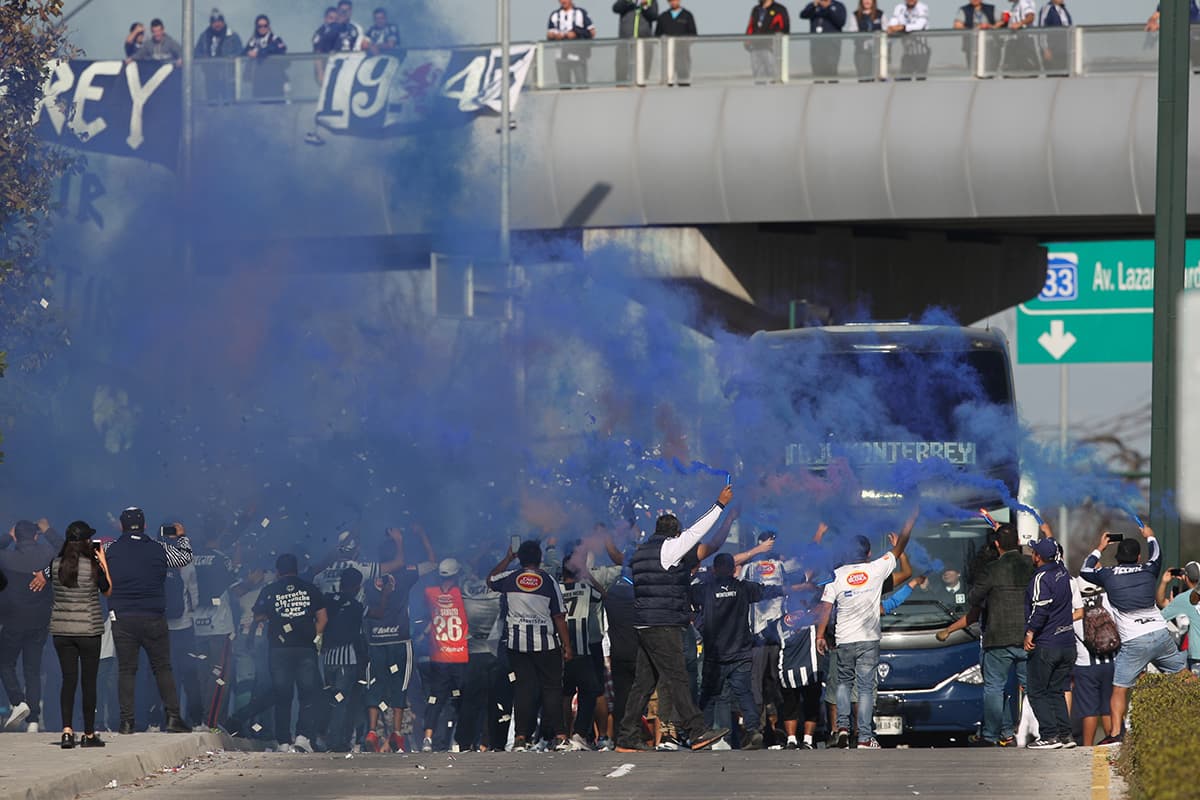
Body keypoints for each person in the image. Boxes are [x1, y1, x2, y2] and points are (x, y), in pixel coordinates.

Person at [615, 483, 734, 753]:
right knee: (678, 677)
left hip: (644, 622)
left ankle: (626, 736)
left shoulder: (641, 552)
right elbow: (698, 531)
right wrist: (720, 504)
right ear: (674, 534)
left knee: (643, 684)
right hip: (663, 623)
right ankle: (697, 731)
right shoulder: (669, 549)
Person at [815, 509, 918, 749]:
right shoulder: (875, 570)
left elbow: (825, 607)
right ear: (869, 553)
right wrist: (910, 520)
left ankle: (841, 728)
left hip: (843, 640)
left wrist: (820, 635)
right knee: (864, 688)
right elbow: (900, 548)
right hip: (868, 639)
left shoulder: (836, 575)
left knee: (843, 684)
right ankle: (863, 737)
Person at [1080, 524, 1186, 744]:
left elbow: (1085, 569)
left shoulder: (1108, 574)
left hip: (1134, 641)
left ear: (1117, 557)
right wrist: (1150, 536)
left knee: (1119, 689)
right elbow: (1157, 553)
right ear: (1138, 557)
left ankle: (1116, 733)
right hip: (1159, 634)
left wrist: (1100, 547)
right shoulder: (1149, 568)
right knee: (1183, 676)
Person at [937, 522, 1033, 747]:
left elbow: (973, 599)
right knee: (1033, 687)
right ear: (1018, 542)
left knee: (994, 687)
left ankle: (990, 735)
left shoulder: (991, 569)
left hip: (997, 638)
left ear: (996, 544)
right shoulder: (1031, 565)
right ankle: (1047, 731)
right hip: (1028, 637)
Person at [103, 508, 193, 734]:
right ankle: (172, 718)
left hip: (122, 617)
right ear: (145, 526)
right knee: (162, 667)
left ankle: (126, 722)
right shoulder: (159, 548)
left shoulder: (109, 549)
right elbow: (184, 557)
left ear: (122, 526)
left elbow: (90, 560)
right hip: (153, 616)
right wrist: (181, 537)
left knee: (126, 669)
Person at [694, 552, 785, 750]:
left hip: (715, 654)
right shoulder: (743, 588)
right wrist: (793, 589)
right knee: (744, 693)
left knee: (709, 695)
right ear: (733, 569)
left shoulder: (705, 590)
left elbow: (685, 595)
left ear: (715, 569)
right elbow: (769, 591)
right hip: (741, 652)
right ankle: (753, 731)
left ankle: (703, 732)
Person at [488, 540, 573, 751]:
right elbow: (559, 616)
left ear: (520, 558)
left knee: (523, 690)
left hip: (518, 646)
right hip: (546, 644)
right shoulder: (548, 580)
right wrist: (567, 645)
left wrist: (508, 559)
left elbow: (490, 579)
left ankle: (520, 738)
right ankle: (561, 737)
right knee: (552, 689)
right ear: (540, 558)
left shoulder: (510, 578)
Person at [252, 553, 327, 753]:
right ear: (298, 569)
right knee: (307, 694)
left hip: (279, 649)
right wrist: (313, 635)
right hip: (305, 649)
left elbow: (258, 615)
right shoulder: (310, 588)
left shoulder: (270, 590)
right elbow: (323, 618)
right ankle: (303, 738)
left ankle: (283, 742)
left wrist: (276, 614)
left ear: (278, 572)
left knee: (282, 695)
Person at [49, 521, 113, 748]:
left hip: (62, 631)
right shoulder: (93, 565)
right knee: (88, 682)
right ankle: (88, 733)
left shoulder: (55, 564)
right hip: (88, 631)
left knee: (68, 681)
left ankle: (67, 731)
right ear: (87, 541)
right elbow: (107, 590)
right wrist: (102, 559)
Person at [1, 519, 57, 733]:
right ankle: (33, 719)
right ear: (36, 536)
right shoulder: (46, 554)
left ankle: (18, 701)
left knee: (5, 663)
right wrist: (48, 530)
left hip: (13, 621)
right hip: (39, 622)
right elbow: (65, 550)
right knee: (32, 669)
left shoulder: (7, 557)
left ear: (17, 536)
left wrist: (8, 537)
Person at [1022, 537, 1075, 749]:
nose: (1032, 555)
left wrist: (1029, 633)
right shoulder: (1063, 572)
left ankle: (1049, 735)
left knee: (1036, 690)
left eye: (1034, 552)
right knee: (1056, 690)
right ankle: (1066, 735)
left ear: (1038, 557)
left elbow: (1040, 609)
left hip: (1047, 643)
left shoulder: (1041, 578)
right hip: (1068, 643)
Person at [420, 558, 470, 752]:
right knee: (458, 699)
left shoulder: (430, 593)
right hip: (459, 657)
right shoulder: (462, 594)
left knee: (435, 699)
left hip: (439, 657)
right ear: (457, 575)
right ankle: (458, 739)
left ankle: (427, 738)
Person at [190, 533, 237, 729]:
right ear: (219, 534)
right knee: (219, 675)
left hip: (196, 626)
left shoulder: (191, 559)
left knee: (202, 676)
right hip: (219, 626)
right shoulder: (222, 559)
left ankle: (201, 720)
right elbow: (233, 588)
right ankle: (212, 721)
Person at [560, 551, 604, 750]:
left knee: (565, 694)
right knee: (590, 690)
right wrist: (588, 575)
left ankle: (564, 734)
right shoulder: (585, 588)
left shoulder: (556, 589)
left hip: (560, 651)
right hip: (582, 650)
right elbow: (603, 594)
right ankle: (579, 733)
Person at [162, 521, 204, 730]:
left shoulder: (156, 557)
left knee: (167, 675)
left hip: (162, 628)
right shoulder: (186, 561)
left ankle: (166, 719)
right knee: (190, 675)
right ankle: (196, 721)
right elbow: (194, 593)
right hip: (184, 626)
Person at [320, 567, 366, 752]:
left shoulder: (327, 601)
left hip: (328, 660)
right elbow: (356, 634)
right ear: (356, 587)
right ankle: (337, 741)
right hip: (347, 661)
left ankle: (323, 736)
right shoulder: (356, 606)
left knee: (330, 698)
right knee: (342, 701)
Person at [1071, 578, 1116, 746]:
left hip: (1085, 666)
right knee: (1108, 706)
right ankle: (1113, 740)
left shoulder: (1074, 606)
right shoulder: (1106, 601)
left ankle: (1087, 747)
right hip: (1110, 661)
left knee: (1089, 709)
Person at [1158, 561, 1200, 676]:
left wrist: (1164, 582)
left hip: (1197, 656)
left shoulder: (1184, 598)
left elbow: (1160, 613)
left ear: (1186, 578)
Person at [194, 9, 242, 104]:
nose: (217, 24)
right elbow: (196, 53)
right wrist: (204, 59)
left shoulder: (232, 36)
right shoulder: (204, 36)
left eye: (219, 21)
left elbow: (240, 52)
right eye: (214, 22)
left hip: (227, 76)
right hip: (210, 75)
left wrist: (230, 59)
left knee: (228, 102)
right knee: (212, 102)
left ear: (223, 22)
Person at [243, 16, 289, 100]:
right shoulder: (253, 41)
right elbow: (244, 52)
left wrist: (259, 52)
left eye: (265, 25)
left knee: (277, 108)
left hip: (275, 82)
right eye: (260, 26)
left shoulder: (275, 39)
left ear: (268, 26)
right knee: (259, 108)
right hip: (259, 83)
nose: (262, 28)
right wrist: (248, 52)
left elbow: (279, 48)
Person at [613, 0, 659, 85]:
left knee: (644, 67)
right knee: (622, 65)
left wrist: (645, 6)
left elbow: (654, 16)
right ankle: (621, 84)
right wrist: (628, 2)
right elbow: (616, 9)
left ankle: (642, 84)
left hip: (644, 41)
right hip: (625, 40)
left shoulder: (651, 1)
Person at [800, 0, 849, 79]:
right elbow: (803, 15)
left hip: (832, 46)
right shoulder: (814, 5)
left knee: (831, 74)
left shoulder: (839, 6)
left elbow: (841, 22)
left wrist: (828, 8)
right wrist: (813, 5)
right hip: (816, 46)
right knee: (817, 74)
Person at [654, 0, 698, 85]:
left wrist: (684, 43)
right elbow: (657, 35)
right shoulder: (663, 16)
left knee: (683, 78)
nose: (673, 2)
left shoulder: (687, 15)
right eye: (671, 0)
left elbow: (693, 34)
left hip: (683, 53)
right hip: (667, 54)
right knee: (668, 79)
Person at [746, 0, 790, 82]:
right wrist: (747, 41)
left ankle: (775, 93)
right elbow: (750, 26)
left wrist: (774, 43)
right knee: (758, 76)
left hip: (771, 49)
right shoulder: (756, 9)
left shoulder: (779, 9)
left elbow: (784, 29)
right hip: (755, 48)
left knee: (773, 75)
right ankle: (760, 93)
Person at [886, 0, 930, 79]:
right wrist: (893, 27)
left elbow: (919, 25)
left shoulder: (922, 7)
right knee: (904, 79)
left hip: (922, 53)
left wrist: (903, 27)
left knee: (920, 80)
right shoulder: (899, 8)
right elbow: (892, 24)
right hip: (907, 53)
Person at [846, 0, 885, 80]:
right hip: (862, 52)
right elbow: (853, 32)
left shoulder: (880, 14)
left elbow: (886, 32)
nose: (867, 1)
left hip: (878, 54)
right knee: (864, 78)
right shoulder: (855, 15)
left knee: (879, 78)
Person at [954, 0, 997, 72]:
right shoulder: (964, 10)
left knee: (990, 69)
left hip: (989, 44)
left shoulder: (991, 8)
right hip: (971, 44)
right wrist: (974, 29)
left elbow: (1001, 21)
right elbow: (957, 25)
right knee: (973, 69)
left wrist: (990, 26)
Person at [1037, 0, 1072, 74]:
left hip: (1065, 53)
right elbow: (1041, 30)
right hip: (1053, 52)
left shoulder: (1064, 10)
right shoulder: (1047, 9)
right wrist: (1045, 49)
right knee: (1053, 76)